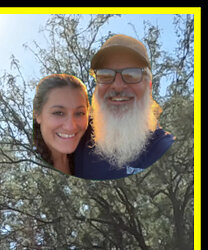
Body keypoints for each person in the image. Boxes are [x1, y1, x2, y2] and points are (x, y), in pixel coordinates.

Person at [73, 34, 175, 180]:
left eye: (132, 74)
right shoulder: (74, 137)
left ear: (149, 87)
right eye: (105, 74)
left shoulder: (164, 148)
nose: (118, 86)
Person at [31, 74, 90, 175]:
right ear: (38, 115)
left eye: (79, 113)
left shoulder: (90, 157)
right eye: (58, 113)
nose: (71, 126)